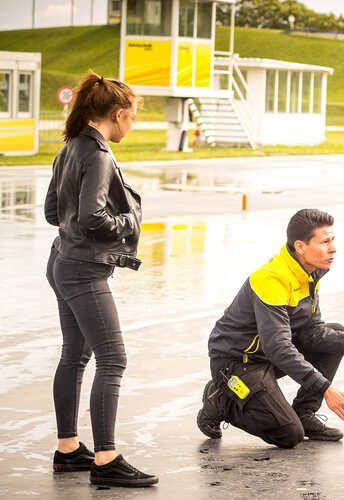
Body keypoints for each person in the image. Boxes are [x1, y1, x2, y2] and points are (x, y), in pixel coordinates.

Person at [197, 209, 344, 448]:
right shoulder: (271, 279)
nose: (333, 248)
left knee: (336, 333)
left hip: (267, 356)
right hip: (237, 363)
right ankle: (220, 398)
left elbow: (313, 332)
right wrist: (326, 388)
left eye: (332, 240)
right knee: (288, 434)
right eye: (325, 242)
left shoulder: (309, 273)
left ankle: (304, 413)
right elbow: (278, 347)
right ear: (301, 246)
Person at [43, 71, 157, 487]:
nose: (132, 125)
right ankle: (106, 460)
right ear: (118, 113)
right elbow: (92, 216)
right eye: (132, 118)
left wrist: (81, 228)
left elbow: (53, 214)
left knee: (74, 357)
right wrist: (126, 221)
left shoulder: (69, 148)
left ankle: (68, 449)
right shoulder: (98, 155)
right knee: (113, 358)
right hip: (84, 270)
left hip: (61, 261)